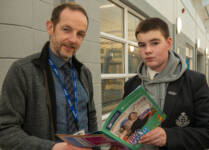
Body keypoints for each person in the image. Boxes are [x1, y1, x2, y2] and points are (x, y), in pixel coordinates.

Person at [0, 2, 98, 150]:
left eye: (80, 34)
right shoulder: (22, 71)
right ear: (50, 27)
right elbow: (5, 130)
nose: (73, 39)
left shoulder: (84, 73)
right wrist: (52, 148)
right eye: (66, 29)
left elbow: (91, 116)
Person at [111, 17, 209, 150]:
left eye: (155, 43)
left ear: (169, 43)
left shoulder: (195, 82)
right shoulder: (131, 85)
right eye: (142, 45)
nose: (148, 50)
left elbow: (206, 134)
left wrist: (169, 136)